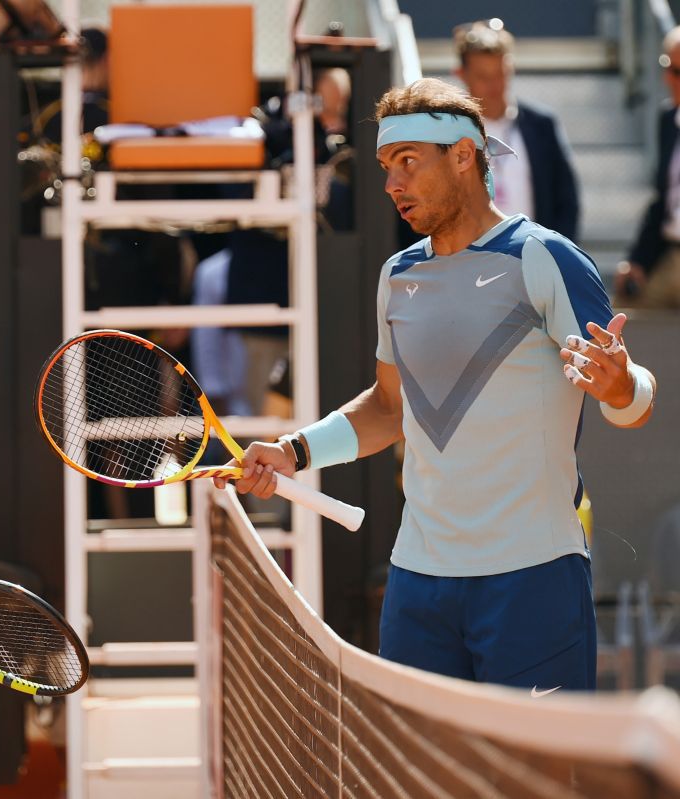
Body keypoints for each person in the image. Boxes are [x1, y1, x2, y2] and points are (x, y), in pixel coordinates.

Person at [219, 78, 658, 693]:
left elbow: (633, 396)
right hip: (418, 584)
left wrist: (619, 388)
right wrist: (294, 451)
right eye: (385, 166)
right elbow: (389, 406)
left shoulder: (545, 257)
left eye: (408, 162)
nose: (392, 184)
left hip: (532, 577)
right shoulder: (397, 275)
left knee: (532, 789)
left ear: (462, 156)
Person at [453, 18, 581, 240]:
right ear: (461, 75)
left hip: (533, 259)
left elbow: (567, 200)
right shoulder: (449, 132)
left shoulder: (542, 125)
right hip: (468, 261)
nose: (494, 85)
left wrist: (556, 253)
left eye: (501, 73)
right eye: (483, 76)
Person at [619, 25, 680, 306]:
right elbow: (662, 200)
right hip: (671, 256)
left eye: (678, 72)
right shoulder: (669, 120)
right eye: (668, 66)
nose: (669, 78)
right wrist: (638, 260)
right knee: (618, 317)